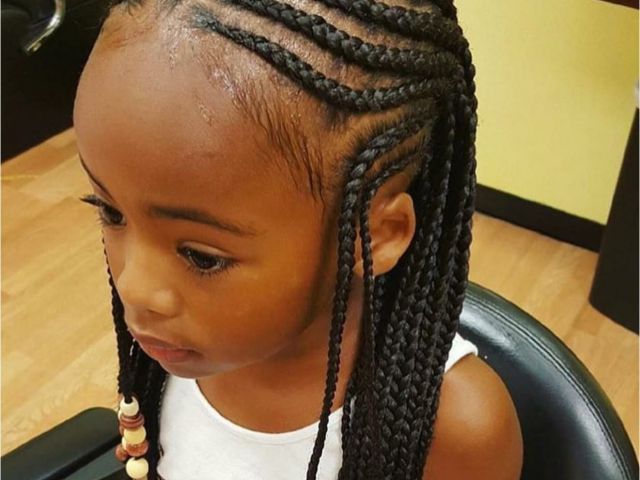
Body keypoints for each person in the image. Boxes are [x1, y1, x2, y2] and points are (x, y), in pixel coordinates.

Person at [72, 0, 523, 478]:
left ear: (374, 235)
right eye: (111, 211)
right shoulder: (177, 346)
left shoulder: (454, 429)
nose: (134, 288)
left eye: (201, 257)